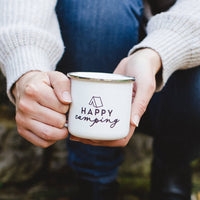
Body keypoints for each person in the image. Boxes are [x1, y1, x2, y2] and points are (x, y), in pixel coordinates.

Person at [0, 0, 200, 199]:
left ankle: (173, 171)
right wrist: (26, 66)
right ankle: (95, 181)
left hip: (181, 70)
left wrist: (157, 51)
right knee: (96, 6)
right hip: (97, 36)